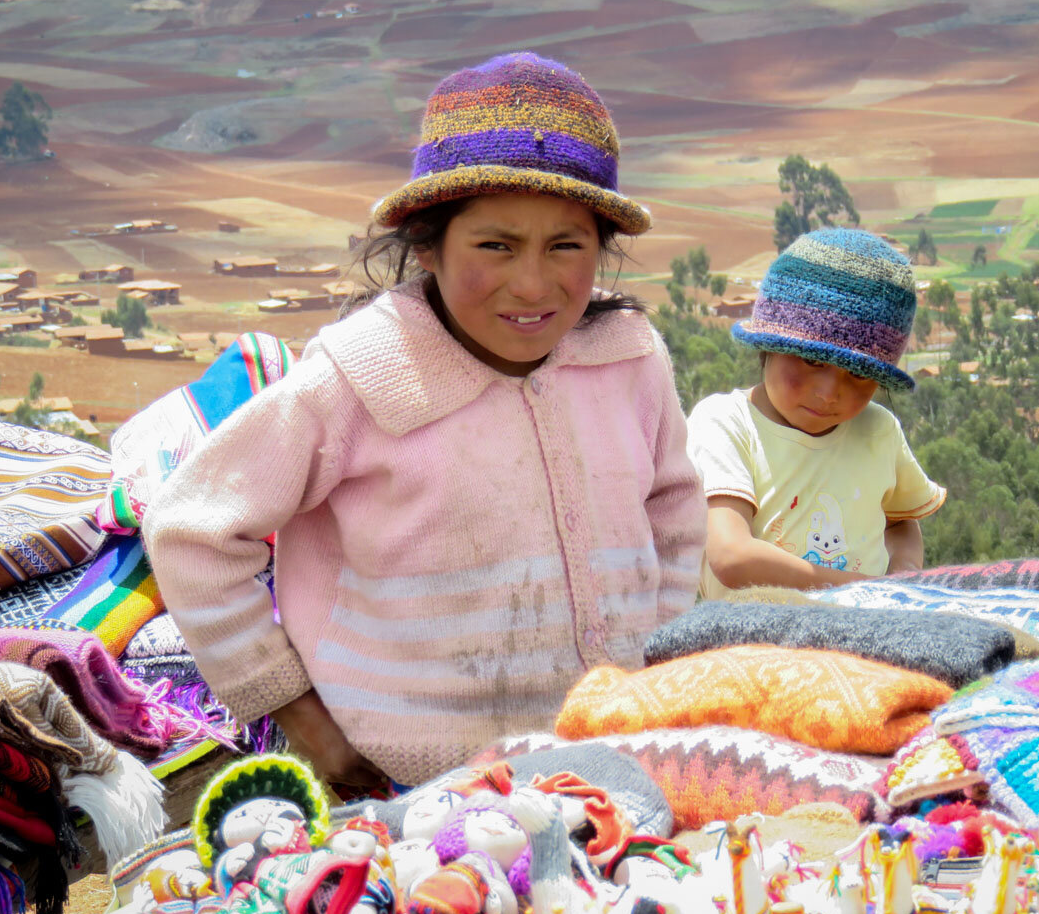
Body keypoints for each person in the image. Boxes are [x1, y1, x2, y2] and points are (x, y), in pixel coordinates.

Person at [144, 52, 705, 794]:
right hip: (415, 788)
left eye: (567, 245)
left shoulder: (628, 359)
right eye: (495, 245)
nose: (532, 283)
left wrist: (651, 669)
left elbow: (673, 514)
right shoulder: (363, 374)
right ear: (427, 243)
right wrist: (311, 730)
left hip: (616, 764)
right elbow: (193, 531)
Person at [686, 227, 944, 598]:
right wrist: (866, 592)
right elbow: (731, 556)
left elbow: (901, 521)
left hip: (864, 636)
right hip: (756, 640)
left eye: (857, 374)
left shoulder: (877, 430)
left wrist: (903, 578)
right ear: (769, 346)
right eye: (811, 360)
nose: (828, 394)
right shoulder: (727, 424)